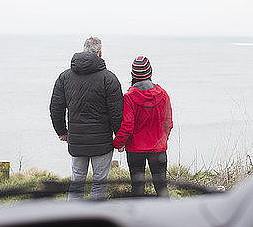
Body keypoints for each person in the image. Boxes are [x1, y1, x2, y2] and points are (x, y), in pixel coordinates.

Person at [49, 37, 123, 200]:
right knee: (99, 183)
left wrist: (61, 131)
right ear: (100, 53)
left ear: (83, 50)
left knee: (77, 182)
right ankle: (95, 220)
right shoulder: (109, 78)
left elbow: (56, 107)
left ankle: (75, 220)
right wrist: (120, 137)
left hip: (77, 140)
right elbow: (116, 112)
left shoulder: (64, 77)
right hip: (102, 142)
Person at [113, 56, 173, 197]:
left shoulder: (128, 97)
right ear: (150, 72)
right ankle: (167, 216)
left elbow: (128, 125)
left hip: (135, 150)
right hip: (158, 149)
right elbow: (168, 123)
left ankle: (138, 217)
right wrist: (163, 140)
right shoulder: (163, 95)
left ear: (133, 75)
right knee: (161, 187)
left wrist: (118, 143)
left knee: (137, 187)